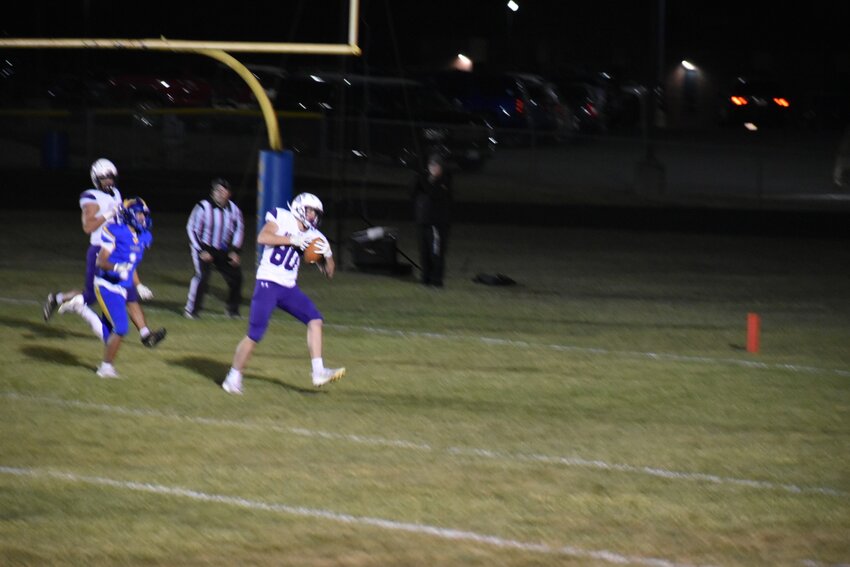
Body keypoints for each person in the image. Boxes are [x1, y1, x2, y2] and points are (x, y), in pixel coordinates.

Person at [221, 192, 346, 395]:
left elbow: (329, 272)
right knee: (255, 334)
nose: (313, 217)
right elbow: (263, 237)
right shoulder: (282, 216)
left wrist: (328, 254)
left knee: (315, 320)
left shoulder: (315, 235)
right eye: (311, 211)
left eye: (316, 213)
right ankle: (232, 378)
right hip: (268, 283)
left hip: (288, 288)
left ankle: (318, 371)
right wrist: (293, 240)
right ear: (299, 208)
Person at [43, 158, 164, 348]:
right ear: (96, 179)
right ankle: (58, 298)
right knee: (90, 296)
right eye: (104, 177)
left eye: (111, 177)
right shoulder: (89, 196)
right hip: (100, 250)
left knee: (129, 292)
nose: (108, 181)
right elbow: (88, 226)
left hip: (117, 245)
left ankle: (146, 334)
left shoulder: (116, 193)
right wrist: (108, 214)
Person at [92, 198, 166, 378]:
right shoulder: (116, 231)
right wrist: (117, 267)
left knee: (109, 329)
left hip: (122, 287)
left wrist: (138, 285)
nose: (143, 218)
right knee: (121, 327)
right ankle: (106, 368)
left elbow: (131, 264)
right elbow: (101, 261)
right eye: (140, 214)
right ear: (131, 215)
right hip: (107, 285)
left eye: (144, 215)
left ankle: (81, 309)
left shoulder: (143, 236)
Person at [184, 178, 245, 318]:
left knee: (236, 277)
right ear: (212, 193)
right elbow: (191, 228)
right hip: (203, 245)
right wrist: (201, 250)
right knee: (202, 276)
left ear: (229, 194)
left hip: (222, 248)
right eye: (217, 190)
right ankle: (191, 310)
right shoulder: (203, 207)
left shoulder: (234, 210)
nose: (219, 194)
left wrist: (235, 251)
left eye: (223, 191)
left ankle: (232, 310)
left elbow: (239, 230)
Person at [412, 153, 453, 287]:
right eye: (431, 166)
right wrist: (417, 177)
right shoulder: (424, 179)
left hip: (437, 224)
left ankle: (436, 280)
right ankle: (425, 278)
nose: (433, 169)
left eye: (436, 166)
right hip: (422, 222)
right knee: (424, 252)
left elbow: (433, 193)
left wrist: (425, 180)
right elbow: (412, 192)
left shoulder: (444, 181)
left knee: (435, 253)